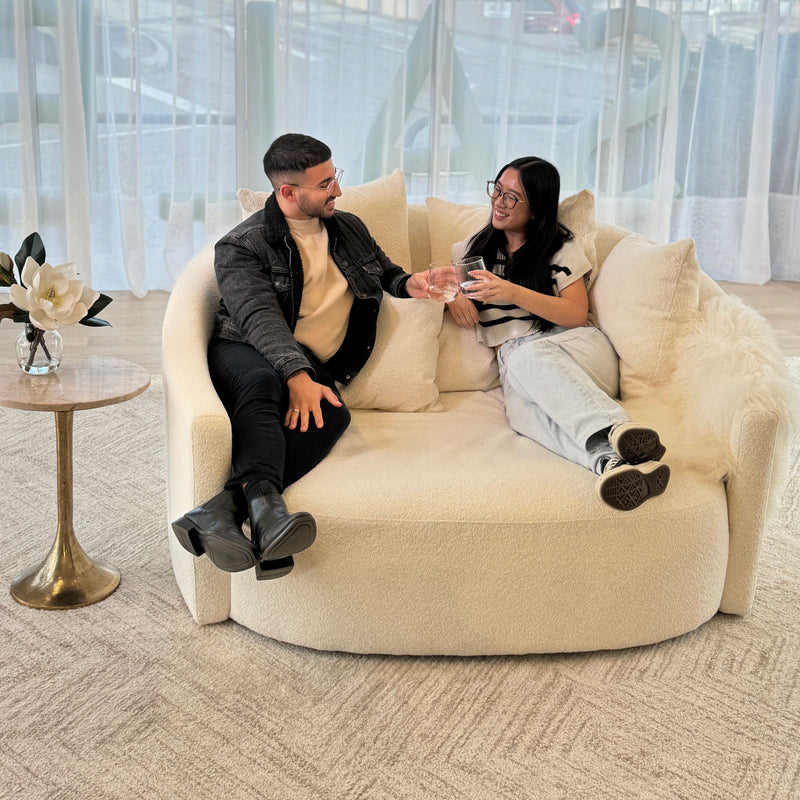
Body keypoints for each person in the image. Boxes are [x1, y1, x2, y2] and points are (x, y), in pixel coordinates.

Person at [171, 133, 436, 579]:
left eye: (335, 177)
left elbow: (385, 272)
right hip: (244, 349)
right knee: (261, 383)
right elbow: (258, 317)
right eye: (325, 183)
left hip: (312, 361)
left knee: (332, 415)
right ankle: (268, 523)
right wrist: (296, 375)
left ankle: (224, 512)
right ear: (288, 192)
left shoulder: (349, 227)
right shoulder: (243, 245)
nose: (338, 190)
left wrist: (411, 284)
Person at [446, 156, 670, 511]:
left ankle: (616, 428)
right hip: (520, 364)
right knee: (521, 415)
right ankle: (611, 462)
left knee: (527, 353)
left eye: (511, 198)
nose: (498, 203)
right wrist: (453, 296)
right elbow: (431, 283)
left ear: (537, 209)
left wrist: (511, 291)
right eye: (497, 191)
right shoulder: (473, 252)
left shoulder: (559, 249)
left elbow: (576, 314)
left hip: (578, 352)